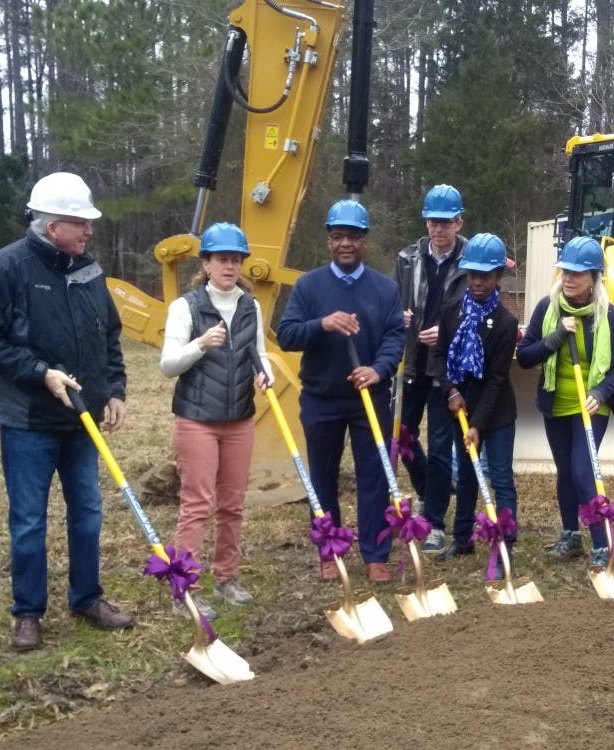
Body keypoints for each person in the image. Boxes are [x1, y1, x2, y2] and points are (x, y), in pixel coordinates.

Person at [0, 172, 133, 651]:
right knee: (29, 521)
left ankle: (86, 598)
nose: (88, 232)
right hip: (28, 421)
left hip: (82, 420)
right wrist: (41, 372)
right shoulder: (7, 267)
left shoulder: (89, 270)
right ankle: (28, 612)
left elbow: (109, 337)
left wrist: (114, 391)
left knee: (87, 513)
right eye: (79, 223)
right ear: (49, 224)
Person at [276, 200, 404, 583]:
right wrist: (322, 324)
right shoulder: (308, 286)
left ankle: (375, 553)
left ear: (364, 240)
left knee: (374, 476)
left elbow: (396, 336)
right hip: (321, 399)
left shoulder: (385, 289)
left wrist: (378, 370)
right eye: (337, 237)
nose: (344, 243)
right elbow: (286, 335)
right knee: (323, 476)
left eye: (352, 236)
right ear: (329, 241)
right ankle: (329, 550)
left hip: (370, 400)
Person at [159, 222, 272, 620]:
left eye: (236, 259)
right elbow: (167, 366)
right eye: (222, 259)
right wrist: (200, 344)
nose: (230, 266)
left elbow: (260, 354)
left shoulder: (250, 307)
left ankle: (227, 578)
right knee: (197, 505)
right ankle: (184, 589)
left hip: (240, 418)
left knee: (233, 504)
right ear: (206, 263)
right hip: (196, 420)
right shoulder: (185, 307)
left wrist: (265, 375)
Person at [517, 236, 614, 567]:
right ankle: (571, 536)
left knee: (584, 471)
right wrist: (555, 338)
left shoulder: (609, 316)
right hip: (556, 403)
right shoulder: (547, 308)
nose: (568, 278)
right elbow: (524, 357)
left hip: (592, 406)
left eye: (577, 274)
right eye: (565, 271)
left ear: (594, 278)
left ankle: (601, 541)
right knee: (565, 471)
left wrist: (599, 393)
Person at [433, 233, 518, 574]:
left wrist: (479, 426)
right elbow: (440, 355)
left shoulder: (506, 323)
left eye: (486, 276)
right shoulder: (452, 312)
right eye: (473, 275)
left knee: (499, 476)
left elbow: (497, 379)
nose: (478, 282)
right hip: (460, 406)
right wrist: (451, 392)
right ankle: (462, 537)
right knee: (465, 475)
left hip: (495, 414)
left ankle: (506, 541)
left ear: (498, 277)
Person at [393, 184, 469, 552]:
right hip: (411, 364)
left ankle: (435, 521)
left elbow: (478, 309)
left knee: (440, 444)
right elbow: (392, 300)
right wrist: (400, 317)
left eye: (445, 223)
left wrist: (448, 332)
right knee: (402, 436)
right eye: (432, 222)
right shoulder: (407, 258)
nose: (438, 230)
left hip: (446, 369)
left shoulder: (472, 260)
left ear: (458, 222)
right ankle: (429, 489)